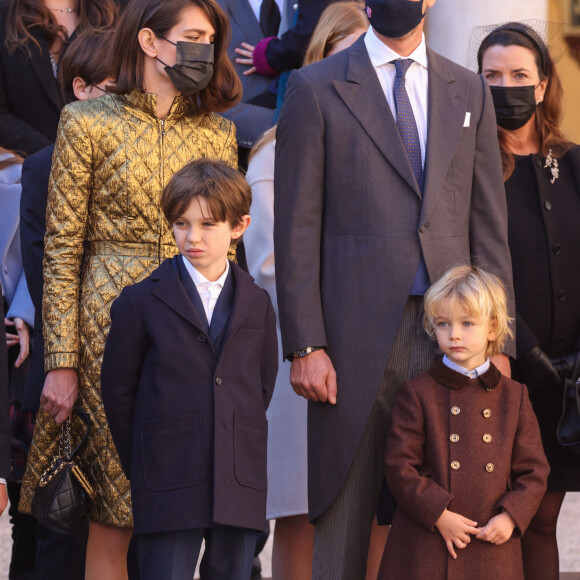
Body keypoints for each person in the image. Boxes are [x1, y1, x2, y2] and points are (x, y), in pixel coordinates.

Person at [273, 0, 515, 577]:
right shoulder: (315, 87)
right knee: (345, 513)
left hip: (453, 334)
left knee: (449, 511)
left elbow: (487, 222)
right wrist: (305, 344)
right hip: (351, 340)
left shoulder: (467, 90)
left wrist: (499, 344)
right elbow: (296, 228)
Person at [18, 0, 242, 578]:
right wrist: (62, 361)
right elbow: (62, 252)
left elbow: (226, 256)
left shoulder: (219, 133)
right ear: (148, 41)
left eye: (210, 39)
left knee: (178, 516)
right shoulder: (87, 123)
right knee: (111, 519)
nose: (205, 50)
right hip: (105, 337)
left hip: (190, 339)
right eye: (191, 36)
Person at [101, 158, 278, 580]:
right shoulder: (139, 302)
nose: (192, 237)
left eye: (208, 225)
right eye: (182, 224)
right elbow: (118, 394)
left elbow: (261, 386)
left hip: (239, 478)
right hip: (167, 476)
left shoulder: (258, 303)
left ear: (239, 226)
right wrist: (149, 460)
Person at [245, 4, 369, 579]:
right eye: (347, 54)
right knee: (298, 512)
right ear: (317, 60)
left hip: (372, 353)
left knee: (373, 511)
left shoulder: (392, 142)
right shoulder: (275, 146)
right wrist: (317, 338)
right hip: (302, 351)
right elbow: (271, 263)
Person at [477, 21, 580, 580]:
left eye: (518, 74)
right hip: (509, 371)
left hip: (574, 379)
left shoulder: (576, 163)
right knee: (514, 518)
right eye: (491, 75)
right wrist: (526, 353)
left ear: (542, 84)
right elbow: (476, 269)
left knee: (549, 513)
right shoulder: (473, 171)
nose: (506, 85)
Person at [17, 27, 117, 580]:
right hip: (68, 377)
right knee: (61, 534)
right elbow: (45, 275)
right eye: (112, 89)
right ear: (79, 89)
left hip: (137, 374)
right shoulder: (44, 167)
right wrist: (67, 365)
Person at [379, 264, 549, 580]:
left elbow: (534, 470)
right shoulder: (418, 393)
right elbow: (399, 466)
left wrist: (511, 517)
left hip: (491, 540)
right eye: (443, 323)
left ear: (493, 328)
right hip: (427, 540)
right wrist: (438, 514)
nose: (454, 334)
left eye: (467, 323)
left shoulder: (514, 396)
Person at [0, 0, 118, 155]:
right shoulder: (5, 14)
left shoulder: (115, 13)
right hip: (22, 168)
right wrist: (53, 157)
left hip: (100, 166)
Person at [0, 147, 34, 579]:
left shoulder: (19, 174)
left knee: (29, 506)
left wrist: (24, 310)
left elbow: (49, 247)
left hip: (19, 350)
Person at [217, 0, 297, 163]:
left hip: (301, 158)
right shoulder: (210, 5)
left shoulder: (314, 6)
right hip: (233, 157)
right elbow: (201, 99)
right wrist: (283, 126)